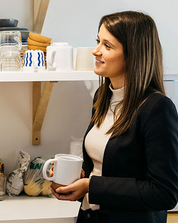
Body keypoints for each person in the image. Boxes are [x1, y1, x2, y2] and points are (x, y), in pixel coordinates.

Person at [51, 11, 178, 223]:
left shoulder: (157, 108)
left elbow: (164, 193)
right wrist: (75, 178)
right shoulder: (103, 96)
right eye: (97, 41)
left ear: (133, 55)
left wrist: (91, 186)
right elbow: (103, 167)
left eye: (107, 46)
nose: (95, 51)